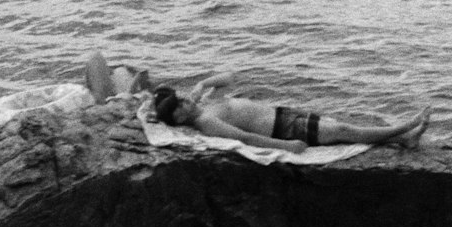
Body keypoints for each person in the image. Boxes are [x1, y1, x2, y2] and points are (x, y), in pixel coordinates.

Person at [151, 72, 430, 154]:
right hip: (284, 130)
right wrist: (285, 146)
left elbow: (231, 78)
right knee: (345, 131)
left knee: (342, 131)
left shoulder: (207, 102)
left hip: (284, 115)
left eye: (181, 99)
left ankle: (404, 140)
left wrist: (204, 83)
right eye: (179, 107)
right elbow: (244, 138)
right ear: (179, 118)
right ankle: (405, 128)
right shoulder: (207, 121)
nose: (185, 101)